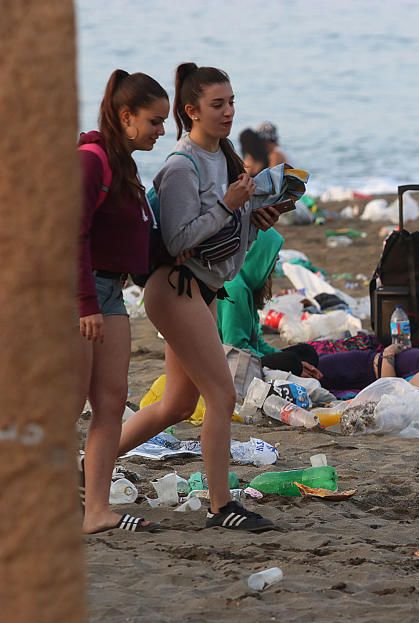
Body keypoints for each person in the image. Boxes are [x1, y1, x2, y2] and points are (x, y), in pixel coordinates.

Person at [118, 63, 282, 532]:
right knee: (221, 393)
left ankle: (91, 462)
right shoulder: (179, 166)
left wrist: (255, 220)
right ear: (191, 111)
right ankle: (220, 506)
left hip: (203, 289)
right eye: (217, 104)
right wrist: (231, 206)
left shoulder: (225, 156)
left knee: (175, 405)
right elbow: (177, 241)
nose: (228, 112)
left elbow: (225, 241)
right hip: (174, 288)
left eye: (231, 102)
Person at [76, 70, 169, 534]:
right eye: (154, 122)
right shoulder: (91, 160)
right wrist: (84, 303)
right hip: (77, 294)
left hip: (111, 294)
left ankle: (96, 511)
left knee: (111, 403)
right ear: (125, 116)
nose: (161, 132)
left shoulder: (126, 166)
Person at [217, 228, 322, 378]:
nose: (277, 259)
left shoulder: (245, 285)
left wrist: (281, 357)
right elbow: (235, 348)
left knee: (306, 353)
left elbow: (256, 341)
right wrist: (288, 364)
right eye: (273, 253)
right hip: (232, 363)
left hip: (246, 356)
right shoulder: (236, 288)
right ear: (259, 254)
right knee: (291, 361)